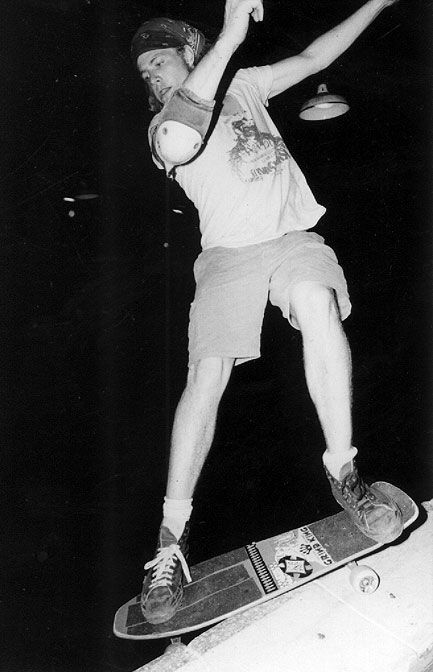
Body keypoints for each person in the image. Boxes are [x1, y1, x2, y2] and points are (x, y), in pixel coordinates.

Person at [130, 0, 403, 625]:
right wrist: (230, 35)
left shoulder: (248, 86)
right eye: (145, 73)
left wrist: (376, 3)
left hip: (290, 240)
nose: (152, 78)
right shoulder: (164, 127)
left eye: (159, 62)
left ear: (188, 52)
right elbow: (180, 135)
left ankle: (345, 473)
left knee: (317, 302)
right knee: (207, 376)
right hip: (227, 257)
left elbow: (315, 56)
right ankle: (170, 542)